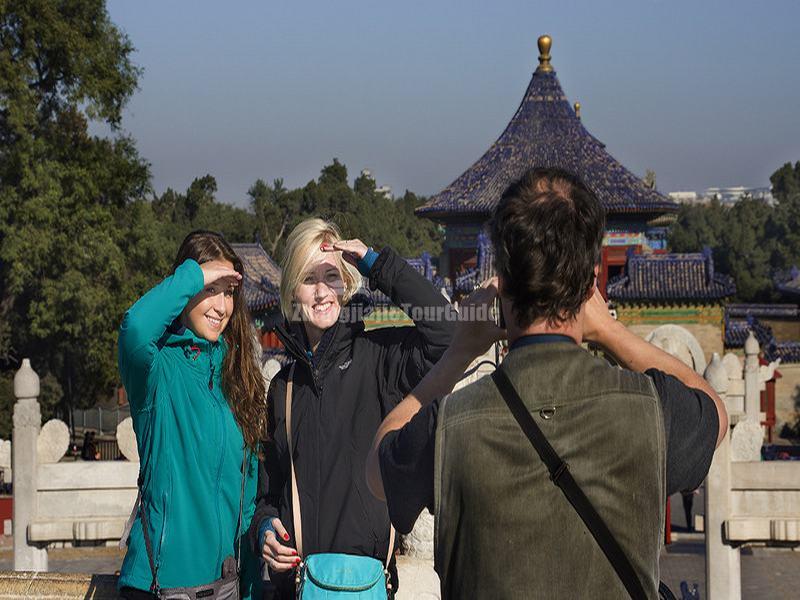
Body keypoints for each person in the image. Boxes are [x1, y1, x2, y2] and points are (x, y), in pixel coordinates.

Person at [367, 167, 728, 599]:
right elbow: (714, 410)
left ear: (501, 281)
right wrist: (611, 332)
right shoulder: (650, 410)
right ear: (593, 277)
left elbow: (376, 468)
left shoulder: (448, 427)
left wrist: (459, 351)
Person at [250, 218, 456, 598]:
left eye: (331, 276)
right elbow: (267, 492)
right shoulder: (283, 388)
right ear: (292, 291)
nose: (322, 291)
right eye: (309, 279)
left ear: (346, 284)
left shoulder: (381, 359)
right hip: (298, 588)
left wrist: (375, 263)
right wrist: (264, 528)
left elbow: (447, 334)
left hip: (368, 584)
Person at [117, 231, 265, 599]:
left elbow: (245, 500)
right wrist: (195, 274)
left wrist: (248, 589)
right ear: (184, 289)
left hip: (224, 587)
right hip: (160, 586)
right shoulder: (157, 368)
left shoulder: (238, 379)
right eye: (210, 289)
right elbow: (135, 327)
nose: (221, 306)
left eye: (229, 292)